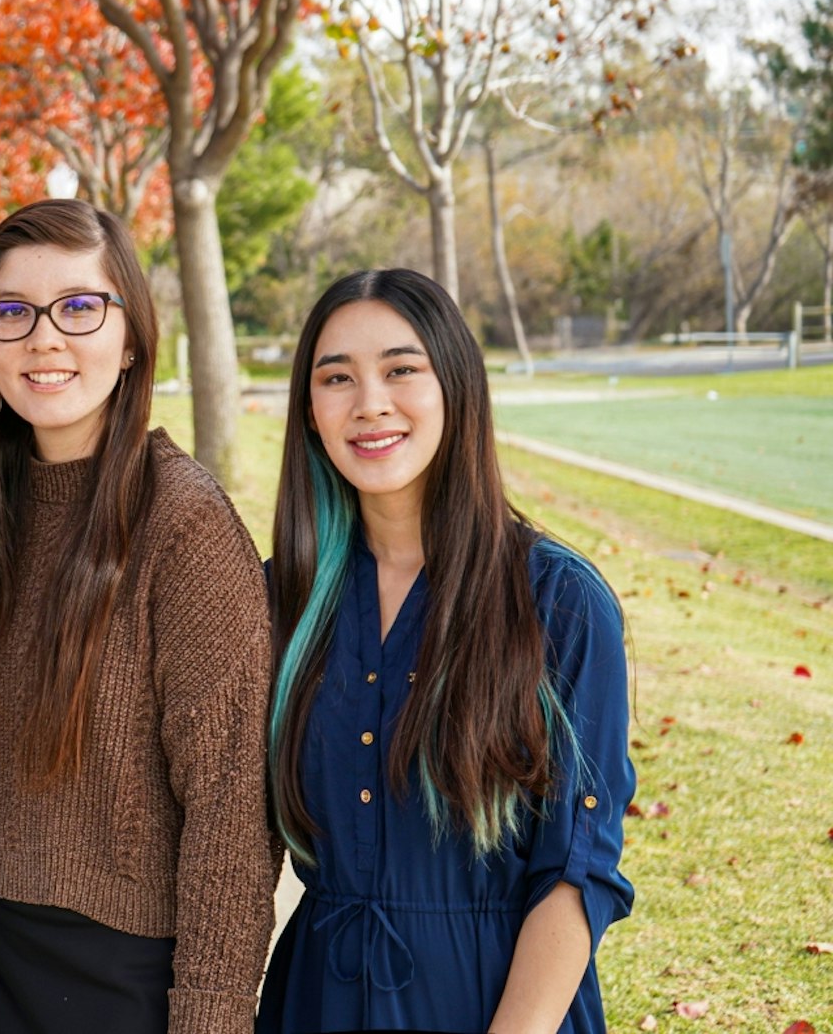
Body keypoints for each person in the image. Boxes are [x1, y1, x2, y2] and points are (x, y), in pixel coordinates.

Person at [257, 268, 634, 1032]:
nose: (370, 403)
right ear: (309, 413)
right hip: (315, 1005)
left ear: (456, 386)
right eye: (338, 377)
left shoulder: (558, 603)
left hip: (493, 1003)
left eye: (401, 369)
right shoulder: (277, 600)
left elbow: (576, 876)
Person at [0, 199, 279, 1034]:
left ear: (130, 338)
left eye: (80, 307)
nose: (44, 339)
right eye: (12, 311)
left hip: (127, 977)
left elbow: (234, 809)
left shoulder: (184, 521)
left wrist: (210, 1016)